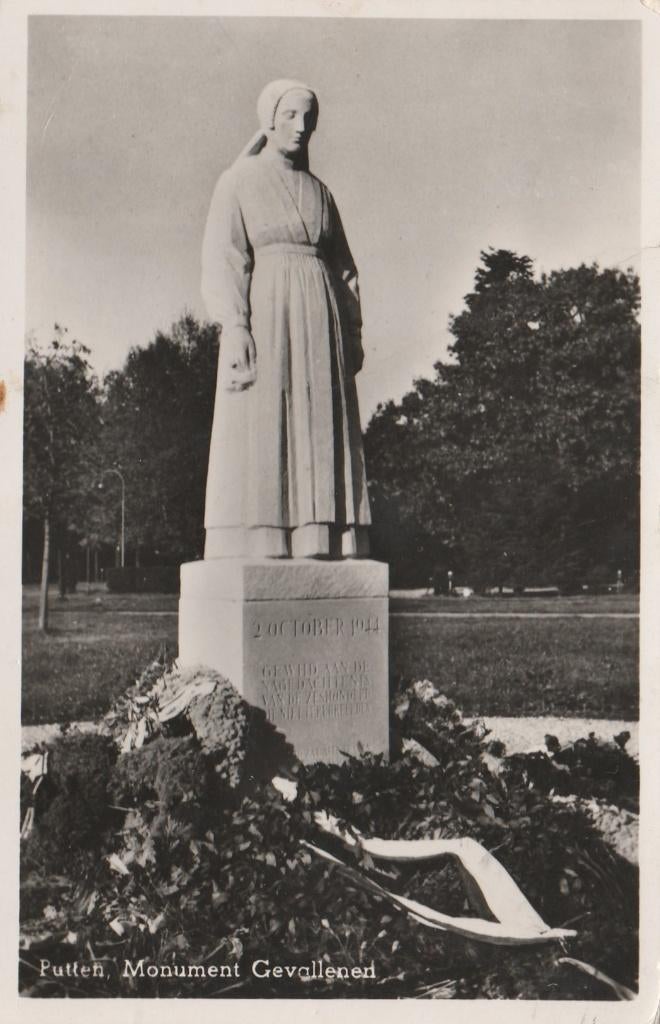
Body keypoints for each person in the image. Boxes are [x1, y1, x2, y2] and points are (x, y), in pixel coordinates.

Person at [201, 79, 371, 559]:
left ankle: (322, 535)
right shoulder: (239, 180)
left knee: (320, 425)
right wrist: (236, 324)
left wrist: (353, 330)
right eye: (290, 116)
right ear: (270, 120)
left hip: (322, 319)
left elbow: (345, 270)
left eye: (308, 118)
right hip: (269, 314)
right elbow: (225, 257)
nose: (300, 127)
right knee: (268, 420)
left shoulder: (322, 194)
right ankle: (265, 536)